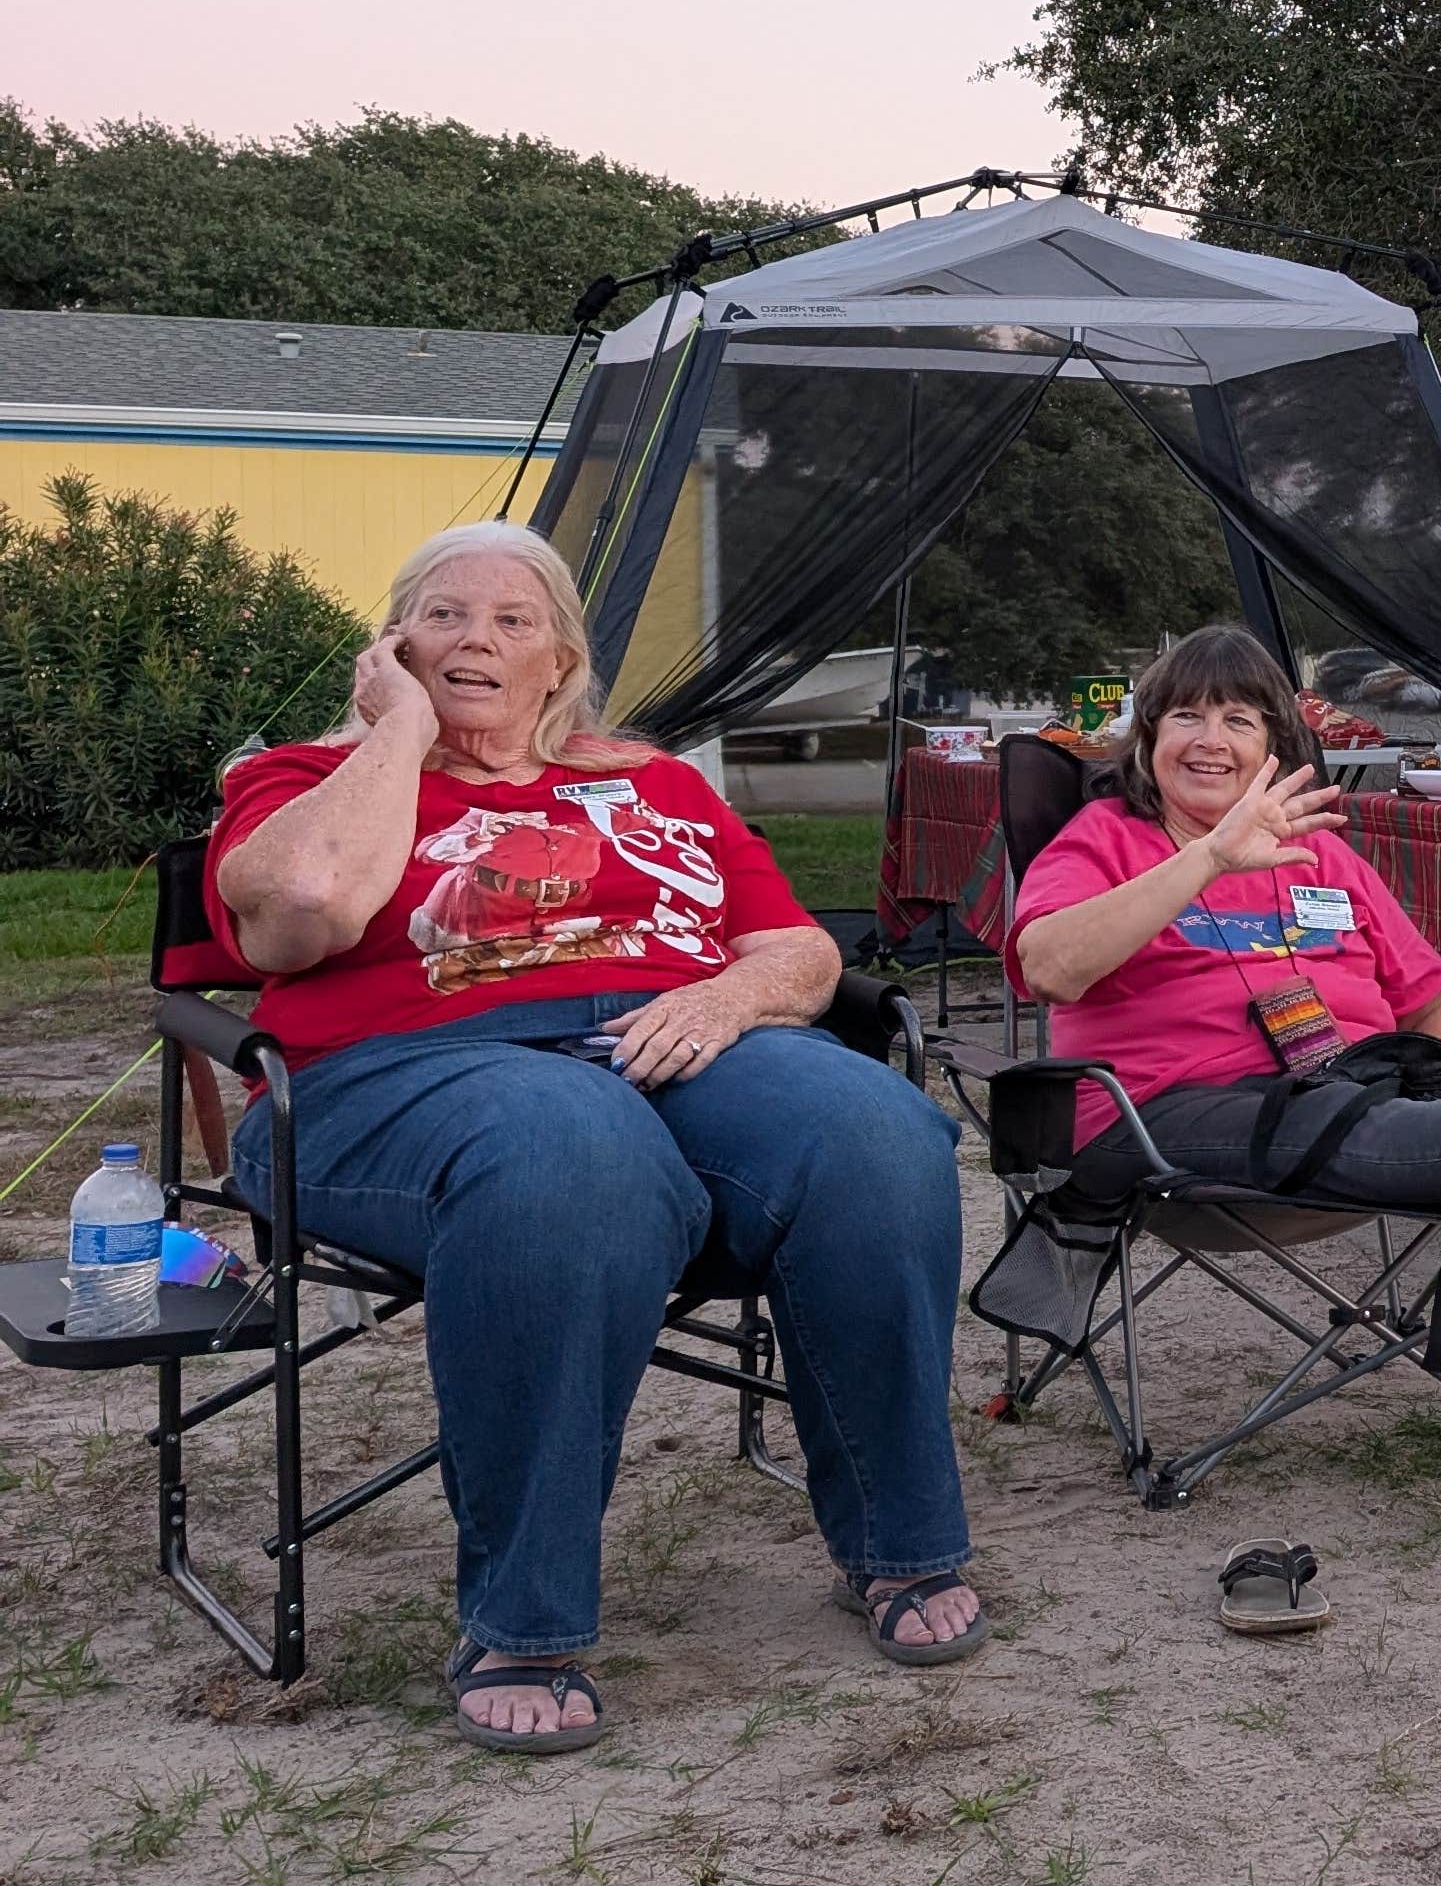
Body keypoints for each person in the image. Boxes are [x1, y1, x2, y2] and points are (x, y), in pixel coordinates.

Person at [209, 522, 981, 1754]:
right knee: (570, 1148)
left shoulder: (658, 782)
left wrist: (724, 1000)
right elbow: (300, 912)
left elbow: (801, 951)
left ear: (560, 660)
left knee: (873, 1130)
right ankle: (525, 1620)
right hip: (398, 1073)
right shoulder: (301, 778)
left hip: (670, 1040)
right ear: (393, 640)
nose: (477, 639)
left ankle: (901, 1543)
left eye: (513, 621)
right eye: (445, 614)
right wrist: (398, 732)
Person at [1009, 624, 1441, 1208]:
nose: (1211, 741)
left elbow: (1434, 1006)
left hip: (1355, 1097)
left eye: (1239, 720)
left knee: (1343, 1103)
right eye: (1186, 715)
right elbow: (1051, 971)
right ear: (1149, 737)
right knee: (1314, 1112)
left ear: (1271, 749)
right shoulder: (1105, 839)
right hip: (1156, 1120)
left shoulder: (1318, 853)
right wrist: (1209, 857)